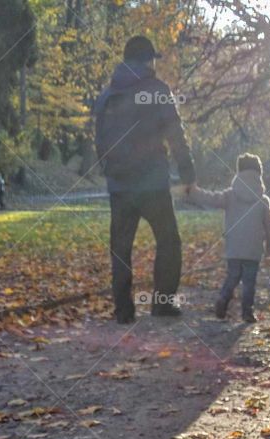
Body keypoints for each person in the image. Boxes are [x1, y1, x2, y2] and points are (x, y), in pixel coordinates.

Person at [94, 34, 196, 323]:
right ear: (148, 60)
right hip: (152, 183)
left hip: (119, 185)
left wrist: (109, 169)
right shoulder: (158, 90)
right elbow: (175, 135)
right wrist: (187, 171)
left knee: (121, 247)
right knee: (168, 241)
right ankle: (162, 303)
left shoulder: (106, 96)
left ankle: (123, 310)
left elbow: (98, 141)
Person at [189, 154, 270, 323]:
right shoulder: (263, 200)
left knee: (233, 276)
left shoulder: (230, 196)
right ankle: (247, 312)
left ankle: (223, 299)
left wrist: (194, 192)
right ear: (259, 173)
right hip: (253, 249)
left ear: (238, 172)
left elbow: (211, 198)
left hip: (234, 247)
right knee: (249, 282)